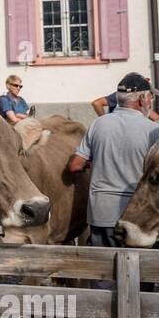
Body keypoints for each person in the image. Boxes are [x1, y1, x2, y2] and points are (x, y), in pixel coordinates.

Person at [68, 72, 159, 246]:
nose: (150, 102)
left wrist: (100, 161)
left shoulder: (98, 124)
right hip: (139, 218)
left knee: (104, 270)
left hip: (102, 212)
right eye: (150, 97)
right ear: (141, 99)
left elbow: (75, 166)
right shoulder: (153, 131)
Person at [92, 80, 159, 121]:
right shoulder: (121, 96)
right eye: (151, 93)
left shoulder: (140, 103)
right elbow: (97, 103)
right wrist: (105, 121)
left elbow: (154, 116)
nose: (152, 97)